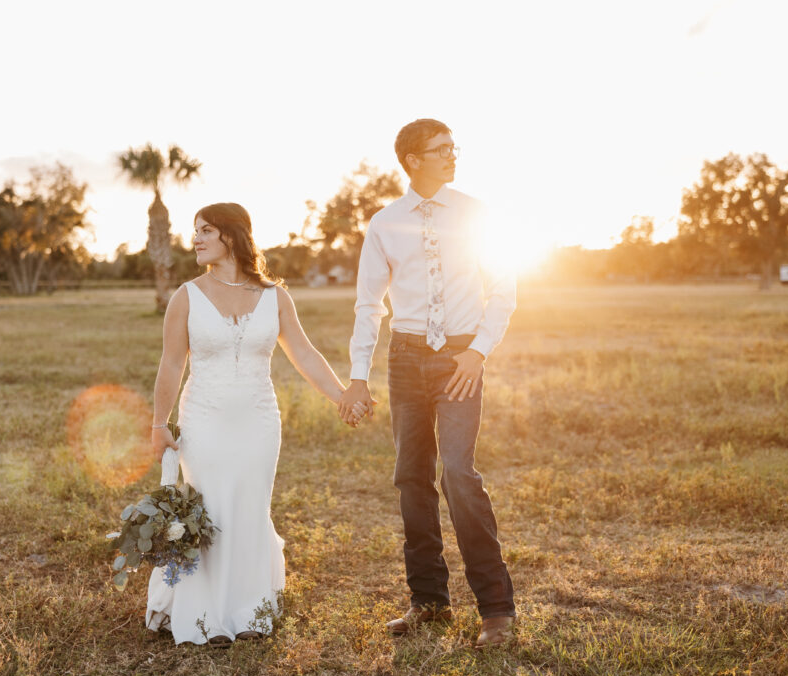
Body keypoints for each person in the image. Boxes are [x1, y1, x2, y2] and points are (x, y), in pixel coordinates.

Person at [146, 202, 367, 647]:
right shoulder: (185, 296)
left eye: (205, 230)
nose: (196, 239)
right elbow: (171, 365)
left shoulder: (275, 296)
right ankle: (204, 612)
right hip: (203, 419)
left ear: (231, 236)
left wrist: (342, 394)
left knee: (248, 507)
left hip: (259, 422)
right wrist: (158, 423)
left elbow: (304, 353)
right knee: (209, 507)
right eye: (195, 231)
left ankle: (249, 611)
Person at [338, 119, 518, 648]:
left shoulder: (475, 214)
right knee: (411, 477)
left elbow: (504, 288)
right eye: (440, 150)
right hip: (406, 357)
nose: (452, 156)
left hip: (460, 356)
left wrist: (477, 353)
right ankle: (429, 601)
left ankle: (496, 610)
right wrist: (357, 377)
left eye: (453, 148)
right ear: (412, 160)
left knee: (459, 473)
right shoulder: (385, 223)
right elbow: (368, 304)